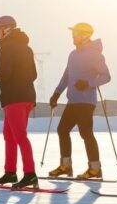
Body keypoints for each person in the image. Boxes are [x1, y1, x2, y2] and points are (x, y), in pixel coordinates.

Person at [47, 22, 111, 180]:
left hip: (86, 101)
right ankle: (65, 166)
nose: (73, 36)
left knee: (86, 133)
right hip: (73, 100)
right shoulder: (73, 55)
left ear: (84, 35)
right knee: (62, 130)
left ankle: (95, 169)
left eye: (75, 33)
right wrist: (56, 93)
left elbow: (106, 76)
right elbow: (66, 76)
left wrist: (88, 83)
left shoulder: (95, 54)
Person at [0, 15, 39, 189]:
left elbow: (5, 75)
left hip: (15, 98)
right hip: (26, 97)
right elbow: (33, 75)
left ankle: (30, 174)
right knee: (10, 135)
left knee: (18, 135)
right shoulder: (26, 48)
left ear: (6, 29)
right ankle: (10, 172)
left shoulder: (6, 48)